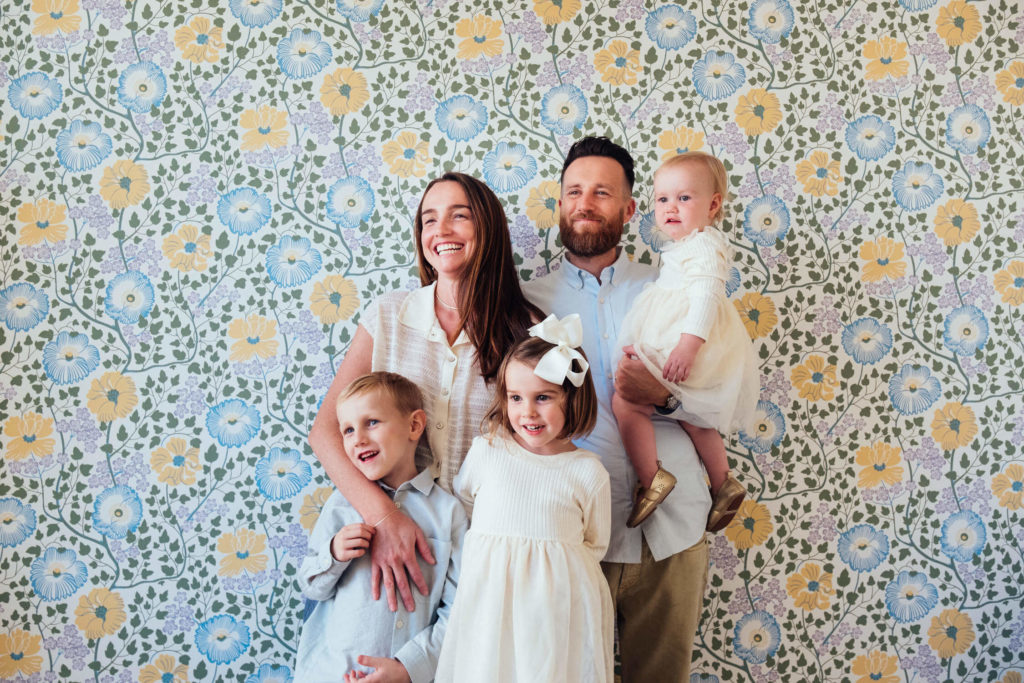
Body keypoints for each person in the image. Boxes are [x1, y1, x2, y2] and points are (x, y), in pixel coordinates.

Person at [308, 172, 541, 613]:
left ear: (488, 228)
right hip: (386, 549)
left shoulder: (527, 330)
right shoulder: (388, 315)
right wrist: (384, 516)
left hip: (486, 552)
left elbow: (539, 448)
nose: (441, 231)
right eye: (429, 220)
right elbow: (325, 432)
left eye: (459, 216)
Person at [523, 136, 711, 681]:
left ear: (630, 209)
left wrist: (666, 397)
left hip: (673, 533)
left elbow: (723, 392)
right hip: (576, 533)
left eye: (602, 193)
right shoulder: (525, 303)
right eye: (574, 191)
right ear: (559, 205)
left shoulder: (671, 290)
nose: (585, 203)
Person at [435, 316, 613, 682]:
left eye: (543, 398)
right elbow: (465, 507)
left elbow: (594, 546)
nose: (527, 412)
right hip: (490, 609)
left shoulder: (586, 472)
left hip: (556, 615)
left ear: (572, 398)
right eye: (515, 398)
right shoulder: (488, 451)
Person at [613, 151, 758, 529]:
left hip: (691, 345)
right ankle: (723, 481)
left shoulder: (705, 246)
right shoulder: (683, 249)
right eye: (662, 199)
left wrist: (686, 347)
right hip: (677, 341)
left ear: (713, 205)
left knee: (627, 402)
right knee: (695, 418)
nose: (670, 207)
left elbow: (707, 297)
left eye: (684, 198)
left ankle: (652, 479)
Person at [296, 372, 467, 683]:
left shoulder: (448, 513)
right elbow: (310, 586)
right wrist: (334, 553)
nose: (357, 438)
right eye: (347, 430)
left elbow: (459, 609)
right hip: (332, 674)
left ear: (414, 426)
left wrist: (409, 668)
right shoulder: (342, 505)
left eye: (371, 422)